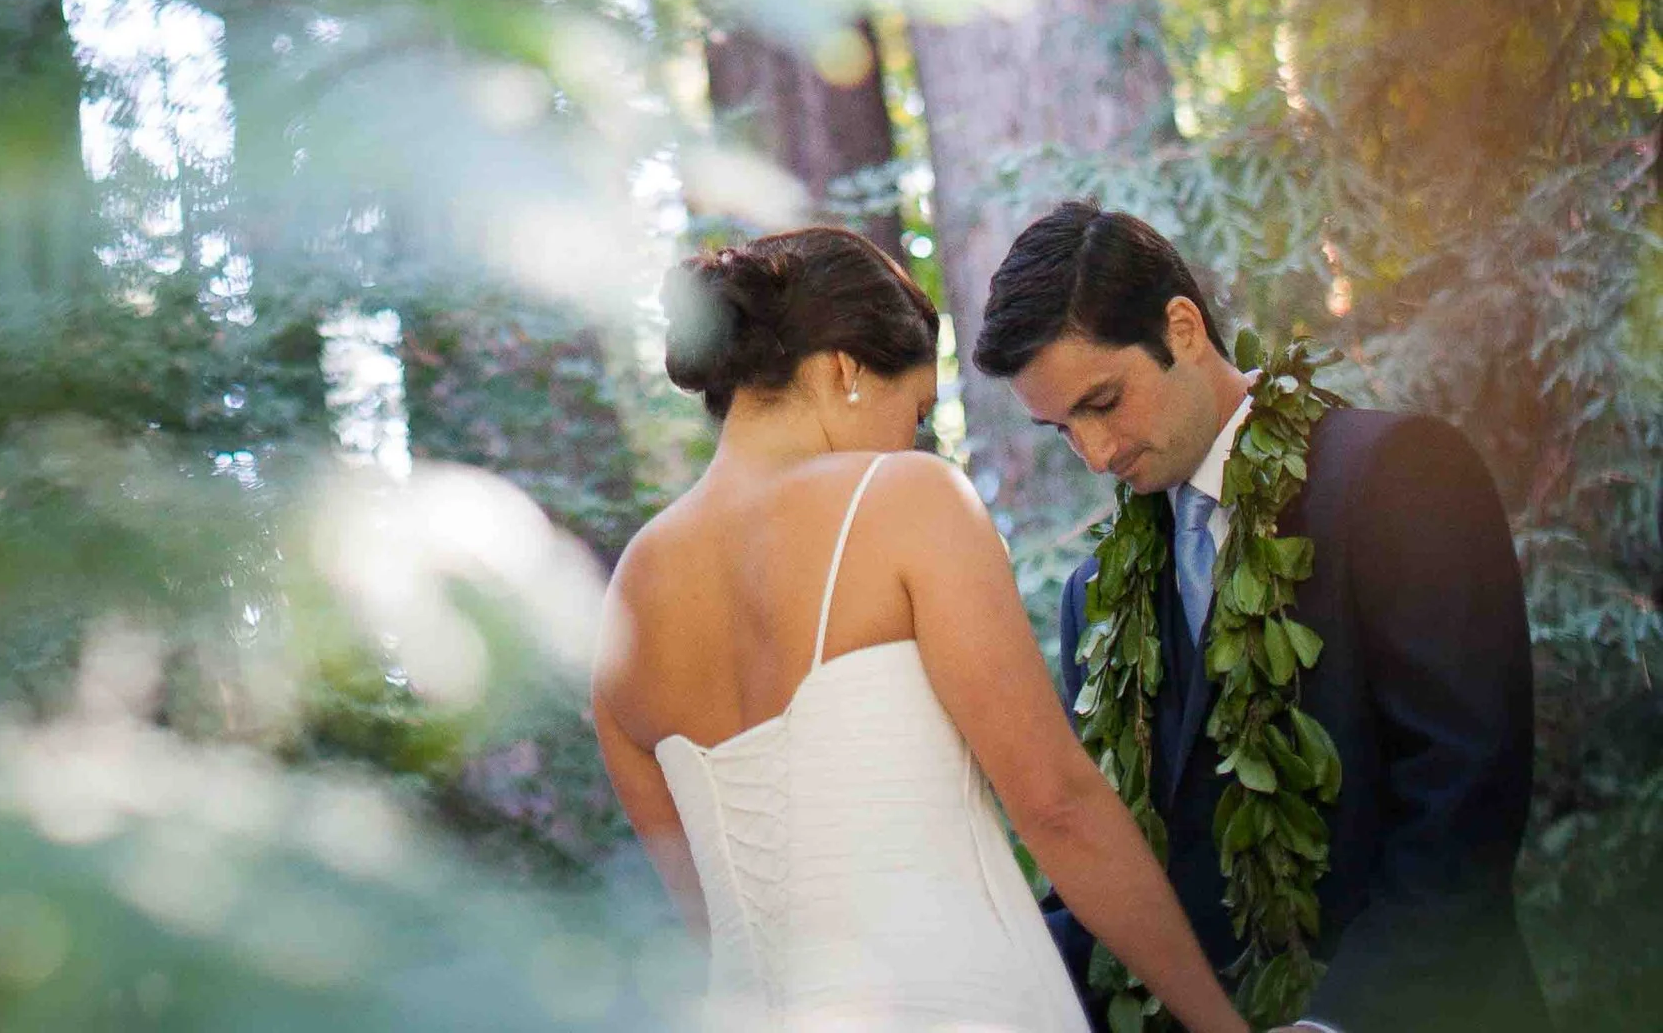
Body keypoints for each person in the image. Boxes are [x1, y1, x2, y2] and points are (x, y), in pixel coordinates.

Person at [591, 226, 1255, 1033]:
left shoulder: (625, 597)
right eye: (916, 411)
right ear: (845, 372)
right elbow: (1056, 808)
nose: (914, 440)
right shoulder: (906, 500)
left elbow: (701, 914)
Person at [973, 201, 1547, 1033]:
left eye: (1103, 401)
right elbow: (1102, 876)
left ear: (1182, 327)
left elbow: (1466, 795)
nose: (1095, 454)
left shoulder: (1395, 474)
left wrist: (1335, 1024)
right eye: (1062, 429)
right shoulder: (1092, 595)